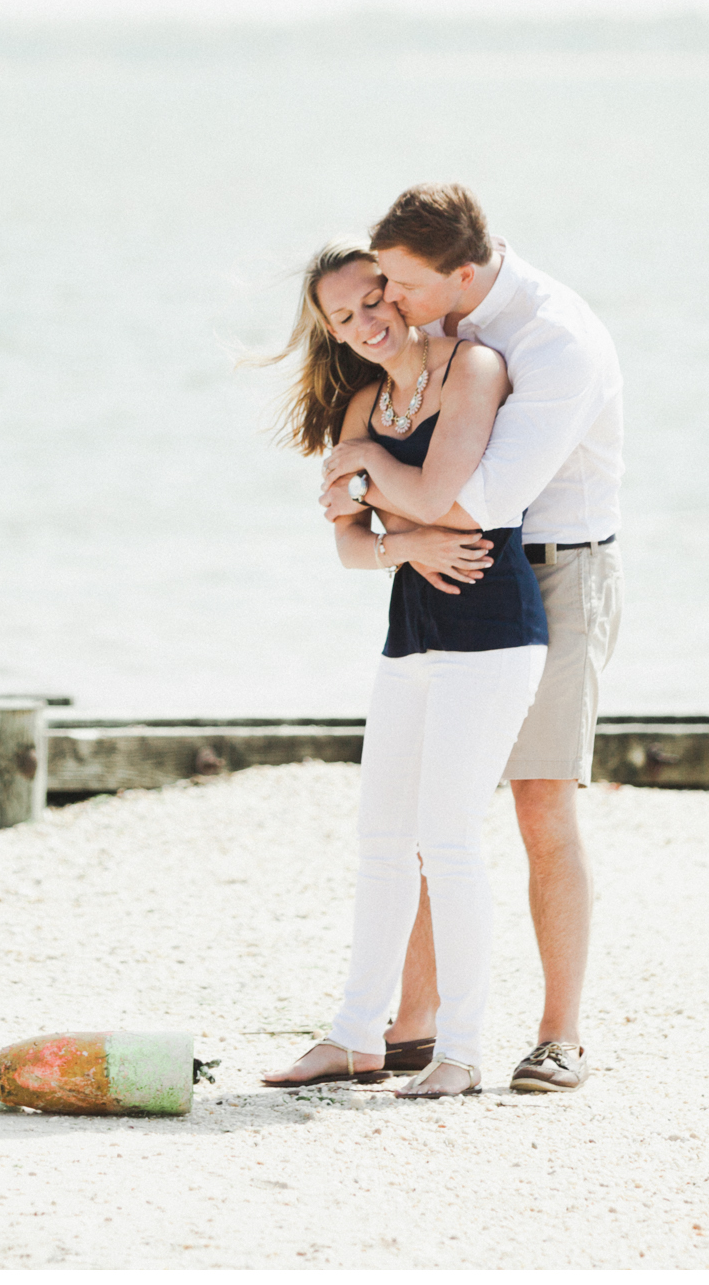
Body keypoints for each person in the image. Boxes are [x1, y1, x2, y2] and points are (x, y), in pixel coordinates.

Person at [334, 183, 624, 1096]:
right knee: (429, 808)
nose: (390, 303)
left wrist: (370, 478)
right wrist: (380, 514)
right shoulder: (446, 336)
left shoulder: (552, 343)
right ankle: (414, 1024)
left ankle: (559, 1036)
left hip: (553, 566)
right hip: (445, 568)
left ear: (462, 274)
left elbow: (476, 502)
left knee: (540, 804)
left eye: (403, 286)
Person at [256, 241, 549, 1099]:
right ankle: (355, 1036)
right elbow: (351, 546)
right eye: (342, 320)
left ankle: (460, 1051)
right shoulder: (360, 400)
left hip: (492, 631)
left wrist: (373, 477)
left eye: (371, 301)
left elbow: (438, 485)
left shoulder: (475, 367)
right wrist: (402, 541)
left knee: (449, 840)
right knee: (382, 843)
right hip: (411, 637)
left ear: (397, 290)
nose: (365, 324)